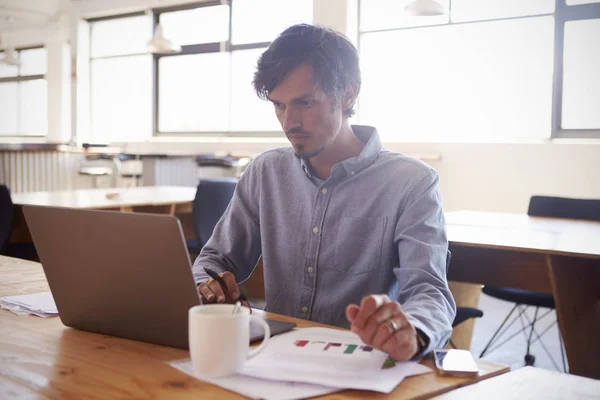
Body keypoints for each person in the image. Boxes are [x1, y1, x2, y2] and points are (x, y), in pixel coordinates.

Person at [192, 23, 456, 361]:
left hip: (359, 364)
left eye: (305, 103)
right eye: (279, 106)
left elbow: (430, 291)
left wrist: (413, 331)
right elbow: (215, 260)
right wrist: (207, 284)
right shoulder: (265, 171)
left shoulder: (412, 182)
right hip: (275, 359)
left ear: (348, 94)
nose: (289, 122)